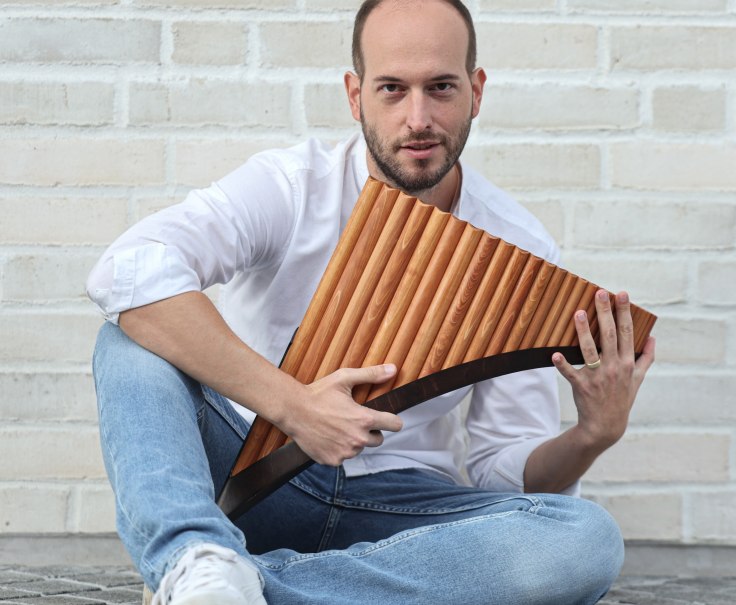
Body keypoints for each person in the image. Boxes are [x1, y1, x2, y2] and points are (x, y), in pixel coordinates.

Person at [86, 0, 656, 603]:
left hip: (400, 509)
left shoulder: (518, 242)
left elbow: (499, 471)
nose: (418, 118)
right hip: (249, 485)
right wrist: (296, 407)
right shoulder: (290, 185)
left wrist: (593, 435)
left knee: (585, 538)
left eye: (441, 88)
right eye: (392, 89)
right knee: (129, 336)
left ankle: (237, 584)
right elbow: (128, 269)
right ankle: (193, 554)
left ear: (476, 91)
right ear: (355, 96)